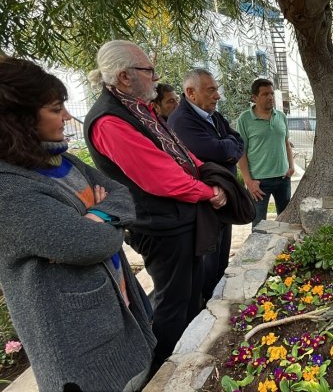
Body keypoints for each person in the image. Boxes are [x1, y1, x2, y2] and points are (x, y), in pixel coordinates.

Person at [0, 57, 156, 391]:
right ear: (18, 118)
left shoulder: (62, 160)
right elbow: (89, 244)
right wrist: (97, 226)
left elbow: (121, 195)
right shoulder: (8, 189)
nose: (67, 118)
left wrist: (96, 216)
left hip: (118, 312)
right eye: (56, 109)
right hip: (79, 348)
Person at [83, 40, 227, 374]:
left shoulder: (138, 109)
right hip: (160, 227)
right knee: (173, 306)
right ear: (123, 78)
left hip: (180, 220)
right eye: (148, 70)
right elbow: (160, 178)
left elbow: (180, 153)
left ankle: (190, 360)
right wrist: (207, 191)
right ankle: (163, 371)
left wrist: (205, 179)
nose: (156, 76)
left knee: (192, 298)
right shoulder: (109, 120)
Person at [168, 68, 245, 300]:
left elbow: (238, 142)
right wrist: (227, 147)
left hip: (222, 201)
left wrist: (227, 148)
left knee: (221, 258)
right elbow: (215, 150)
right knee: (208, 262)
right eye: (211, 90)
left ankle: (217, 299)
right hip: (205, 204)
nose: (218, 96)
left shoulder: (213, 116)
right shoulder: (182, 121)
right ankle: (207, 305)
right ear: (190, 92)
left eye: (217, 90)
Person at [236, 78, 295, 228]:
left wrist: (291, 166)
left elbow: (286, 143)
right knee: (258, 225)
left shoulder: (281, 116)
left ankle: (283, 252)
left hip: (283, 179)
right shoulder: (245, 119)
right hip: (259, 182)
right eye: (265, 94)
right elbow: (241, 152)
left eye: (272, 94)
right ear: (254, 98)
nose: (270, 97)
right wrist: (248, 181)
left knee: (285, 222)